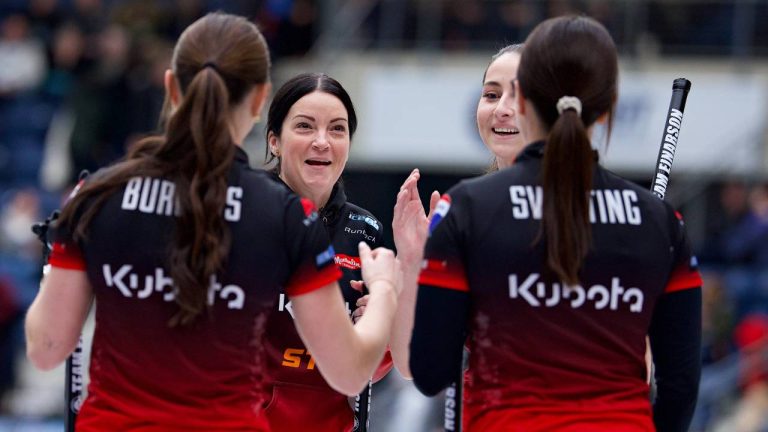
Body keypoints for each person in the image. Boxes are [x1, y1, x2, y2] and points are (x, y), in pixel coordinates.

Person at [23, 13, 398, 431]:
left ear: (170, 88)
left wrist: (57, 259)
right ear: (260, 103)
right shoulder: (284, 215)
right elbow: (348, 372)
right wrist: (384, 289)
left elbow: (46, 349)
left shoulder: (96, 196)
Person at [402, 15, 703, 432]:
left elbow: (432, 369)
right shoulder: (660, 221)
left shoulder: (467, 209)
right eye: (489, 93)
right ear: (609, 106)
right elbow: (681, 386)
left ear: (524, 102)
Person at [261, 72, 392, 432]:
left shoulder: (367, 233)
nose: (322, 142)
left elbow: (373, 371)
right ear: (274, 140)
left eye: (337, 129)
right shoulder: (241, 216)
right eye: (305, 126)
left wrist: (380, 324)